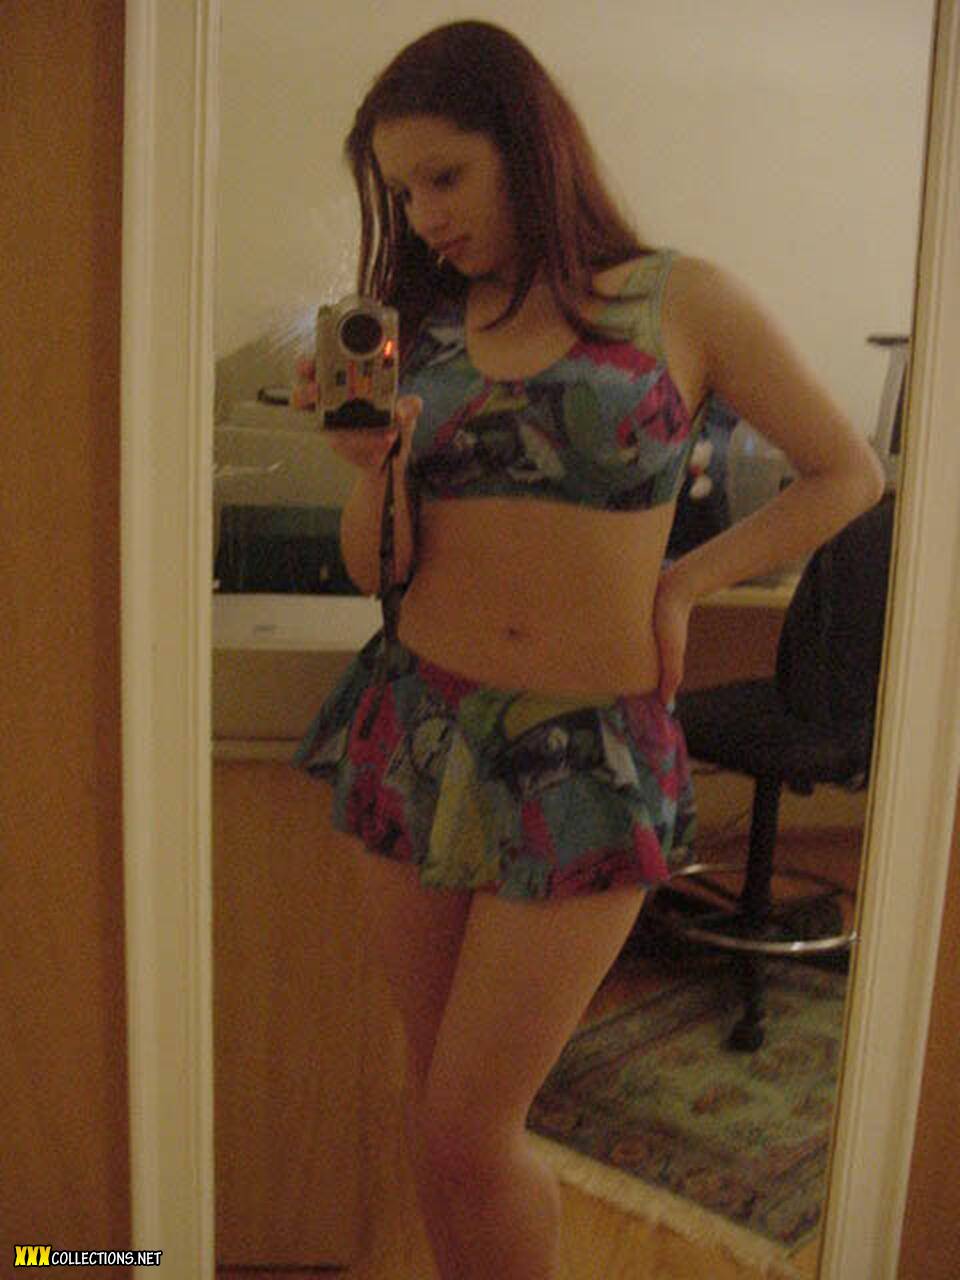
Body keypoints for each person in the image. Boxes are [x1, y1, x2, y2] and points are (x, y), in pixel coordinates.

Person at [291, 20, 884, 1280]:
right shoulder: (418, 322)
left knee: (471, 1124)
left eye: (445, 175)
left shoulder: (681, 298)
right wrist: (369, 466)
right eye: (403, 191)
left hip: (587, 754)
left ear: (529, 143)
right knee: (436, 1105)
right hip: (421, 726)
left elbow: (848, 471)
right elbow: (377, 567)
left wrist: (687, 581)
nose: (424, 214)